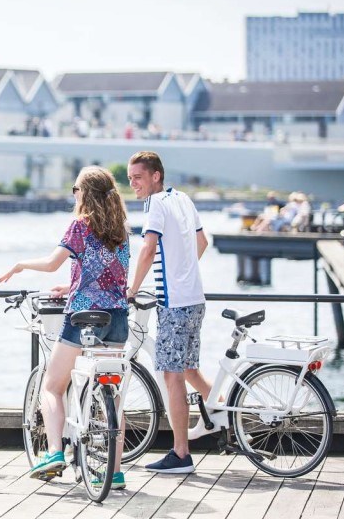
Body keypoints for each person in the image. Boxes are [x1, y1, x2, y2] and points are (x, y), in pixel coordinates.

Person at [0, 165, 131, 489]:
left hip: (84, 316)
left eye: (76, 189)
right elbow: (109, 277)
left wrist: (20, 265)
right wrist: (70, 286)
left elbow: (52, 262)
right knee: (112, 396)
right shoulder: (122, 229)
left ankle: (55, 452)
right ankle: (114, 473)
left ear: (83, 194)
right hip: (117, 317)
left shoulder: (80, 226)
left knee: (52, 386)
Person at [126, 151, 210, 474]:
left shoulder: (156, 205)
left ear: (155, 176)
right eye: (131, 178)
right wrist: (184, 271)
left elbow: (147, 249)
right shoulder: (184, 199)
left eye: (138, 177)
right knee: (188, 368)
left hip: (174, 304)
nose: (133, 183)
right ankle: (223, 413)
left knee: (172, 376)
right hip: (195, 299)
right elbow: (202, 242)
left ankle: (180, 454)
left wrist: (132, 289)